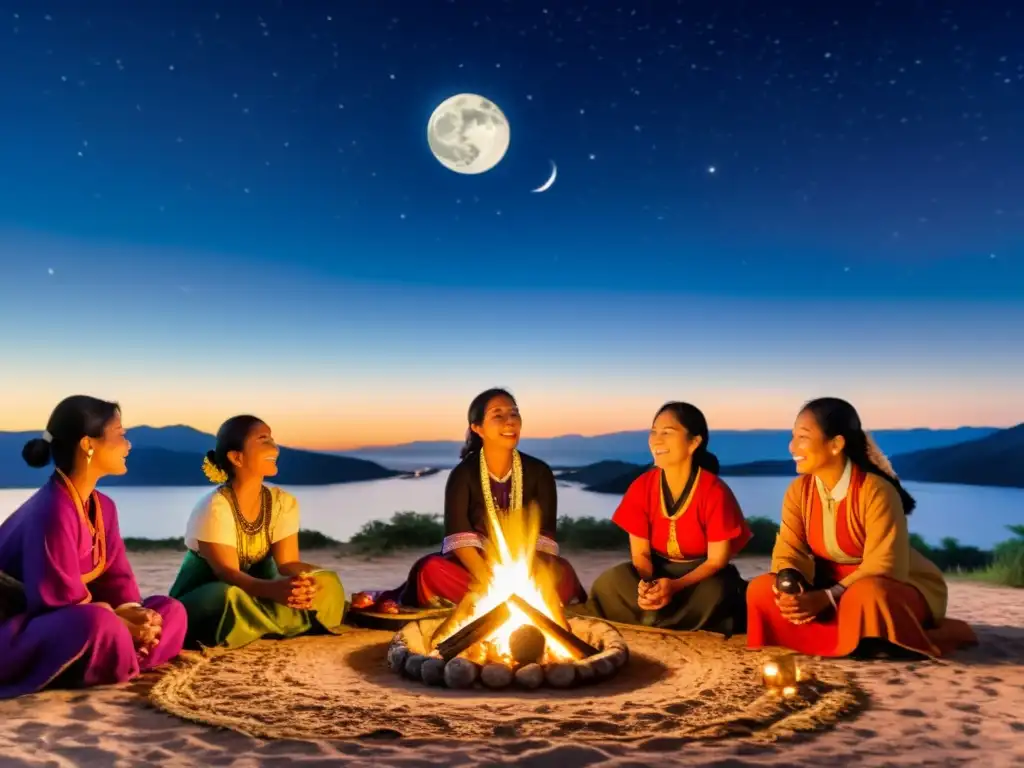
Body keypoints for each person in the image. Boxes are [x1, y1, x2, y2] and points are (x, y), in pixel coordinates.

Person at [746, 397, 978, 658]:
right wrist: (790, 583)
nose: (792, 447)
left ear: (836, 444)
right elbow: (789, 550)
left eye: (802, 437)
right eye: (793, 437)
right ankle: (857, 638)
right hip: (828, 583)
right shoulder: (799, 492)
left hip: (890, 584)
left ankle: (927, 634)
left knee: (867, 595)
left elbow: (884, 565)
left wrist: (827, 598)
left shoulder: (876, 491)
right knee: (760, 589)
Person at [0, 396, 186, 699]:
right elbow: (54, 601)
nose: (128, 446)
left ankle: (120, 655)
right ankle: (121, 653)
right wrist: (120, 622)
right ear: (88, 444)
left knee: (170, 611)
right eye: (121, 435)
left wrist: (133, 614)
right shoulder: (52, 508)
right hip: (19, 627)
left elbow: (117, 580)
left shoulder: (104, 507)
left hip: (82, 619)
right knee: (97, 623)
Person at [352, 388, 586, 612]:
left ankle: (501, 600)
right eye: (498, 415)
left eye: (514, 413)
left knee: (562, 573)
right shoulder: (463, 474)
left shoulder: (539, 471)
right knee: (430, 570)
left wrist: (525, 576)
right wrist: (492, 580)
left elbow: (544, 537)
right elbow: (459, 538)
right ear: (477, 428)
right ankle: (499, 601)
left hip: (528, 567)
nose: (510, 421)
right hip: (475, 570)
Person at [169, 415, 346, 649]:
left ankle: (260, 624)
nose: (275, 447)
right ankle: (284, 622)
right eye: (263, 439)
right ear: (236, 457)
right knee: (228, 598)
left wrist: (307, 581)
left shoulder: (282, 502)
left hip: (261, 593)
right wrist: (273, 590)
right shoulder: (215, 506)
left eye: (272, 439)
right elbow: (228, 574)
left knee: (328, 581)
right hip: (212, 593)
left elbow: (288, 563)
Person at [578, 402, 751, 635]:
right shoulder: (642, 486)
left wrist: (676, 586)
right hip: (656, 570)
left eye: (667, 433)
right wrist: (646, 585)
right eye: (654, 432)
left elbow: (716, 561)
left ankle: (655, 619)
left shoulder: (714, 491)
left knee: (716, 592)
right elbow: (641, 554)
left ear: (693, 443)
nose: (656, 440)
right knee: (612, 581)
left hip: (700, 577)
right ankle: (657, 614)